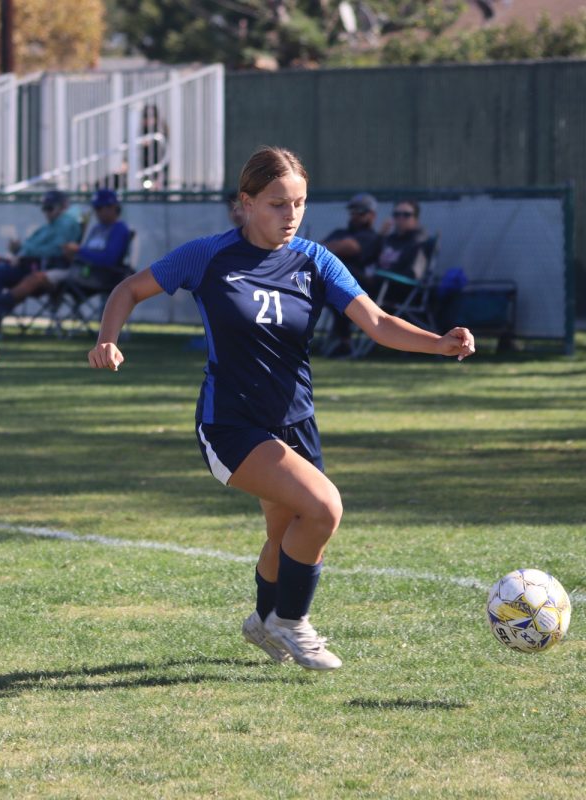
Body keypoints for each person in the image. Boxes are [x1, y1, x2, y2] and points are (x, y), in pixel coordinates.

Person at [88, 146, 475, 671]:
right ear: (246, 203)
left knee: (285, 532)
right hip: (230, 424)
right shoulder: (208, 255)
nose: (290, 215)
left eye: (299, 204)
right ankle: (292, 622)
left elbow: (378, 323)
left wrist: (439, 343)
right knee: (324, 508)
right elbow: (129, 289)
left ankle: (263, 620)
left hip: (296, 420)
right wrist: (108, 339)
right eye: (276, 204)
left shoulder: (315, 261)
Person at [0, 188, 131, 316]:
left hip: (97, 276)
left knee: (36, 278)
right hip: (79, 270)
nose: (97, 212)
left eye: (100, 208)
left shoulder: (119, 229)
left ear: (113, 207)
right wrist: (72, 253)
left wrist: (79, 250)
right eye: (96, 208)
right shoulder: (97, 228)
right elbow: (86, 252)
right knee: (21, 276)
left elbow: (109, 259)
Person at [0, 189, 81, 334]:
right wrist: (19, 250)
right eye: (44, 208)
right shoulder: (50, 226)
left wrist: (24, 252)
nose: (46, 212)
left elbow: (57, 249)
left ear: (63, 206)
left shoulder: (67, 222)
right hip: (26, 264)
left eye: (50, 207)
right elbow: (34, 247)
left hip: (38, 268)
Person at [321, 192, 383, 355]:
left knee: (340, 278)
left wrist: (334, 247)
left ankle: (345, 342)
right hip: (330, 285)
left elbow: (350, 247)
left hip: (362, 287)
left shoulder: (371, 237)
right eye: (353, 211)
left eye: (360, 212)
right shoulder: (340, 232)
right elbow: (318, 250)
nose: (355, 215)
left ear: (371, 215)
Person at [374, 199, 433, 306]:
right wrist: (380, 236)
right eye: (397, 214)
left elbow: (414, 274)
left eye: (406, 215)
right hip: (379, 282)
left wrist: (383, 276)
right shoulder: (390, 238)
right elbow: (368, 257)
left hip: (395, 288)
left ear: (416, 219)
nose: (400, 218)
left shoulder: (419, 242)